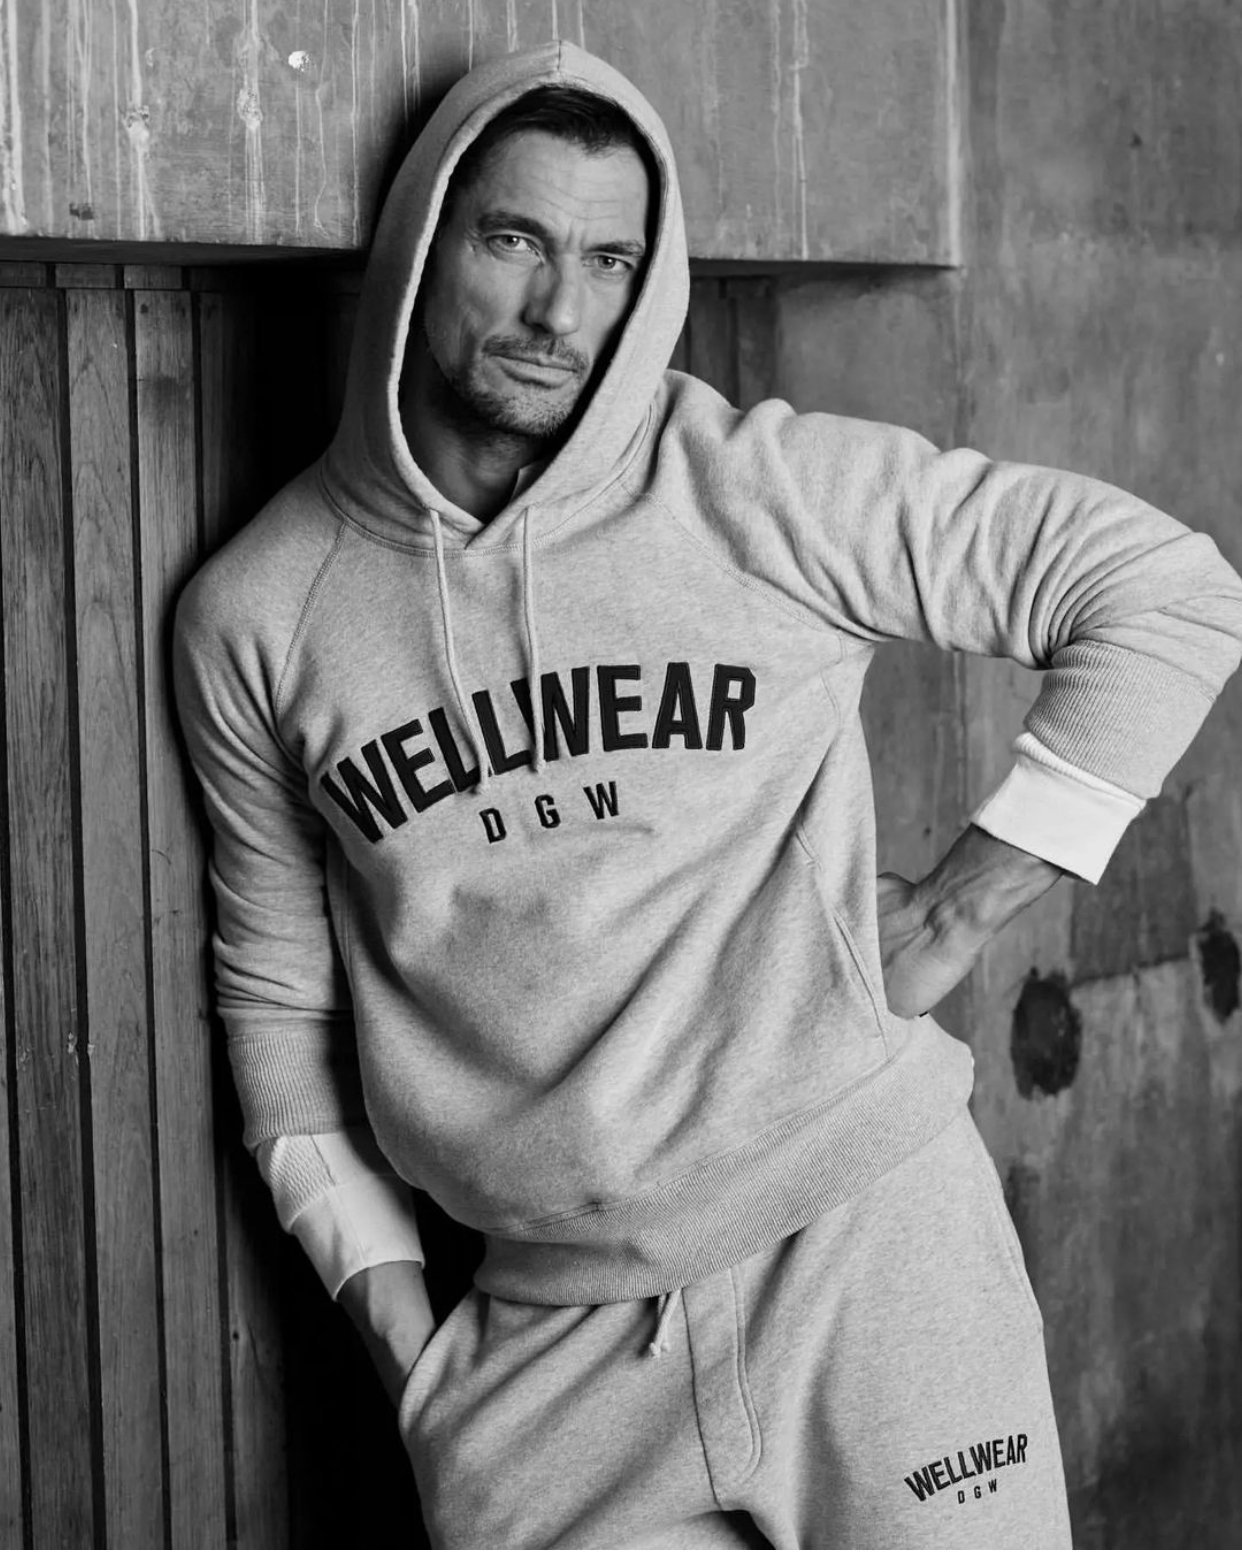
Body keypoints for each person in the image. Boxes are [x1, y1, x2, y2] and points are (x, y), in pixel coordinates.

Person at [174, 40, 1242, 1551]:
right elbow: (278, 1013)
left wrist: (964, 902)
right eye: (514, 241)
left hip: (870, 1265)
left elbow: (1164, 593)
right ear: (419, 248)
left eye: (609, 260)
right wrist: (407, 1346)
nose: (561, 311)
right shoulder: (259, 613)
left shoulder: (754, 489)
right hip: (544, 1358)